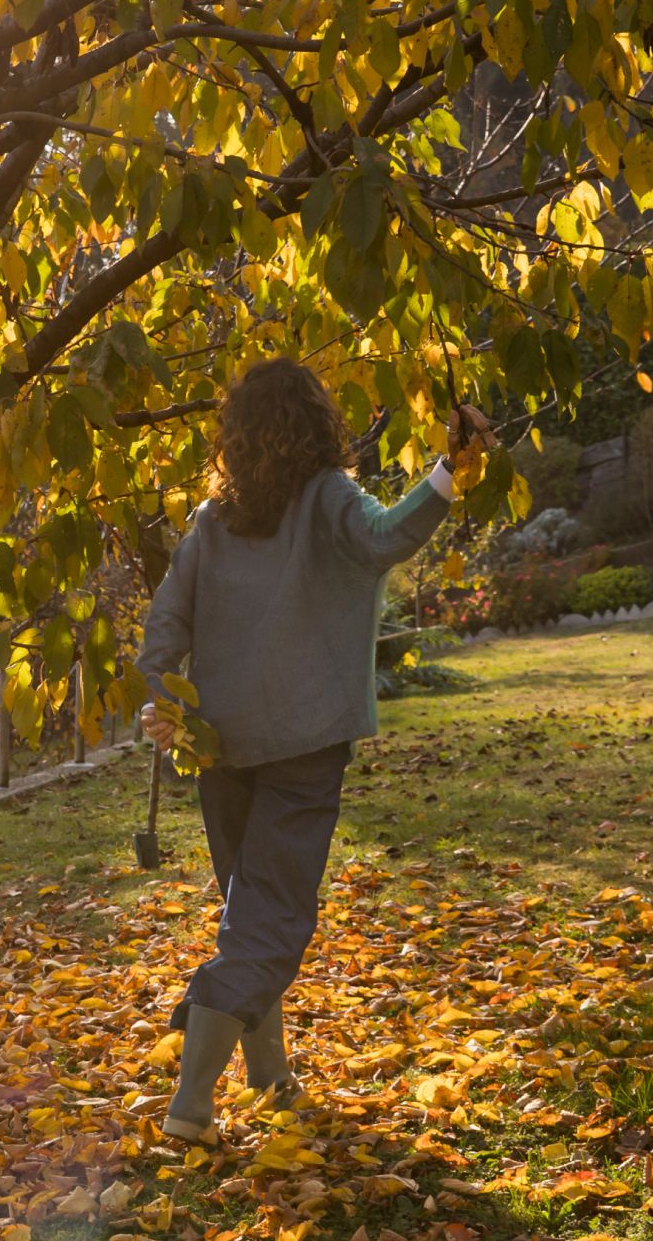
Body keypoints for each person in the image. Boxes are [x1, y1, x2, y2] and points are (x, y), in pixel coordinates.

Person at [134, 357, 491, 1145]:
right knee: (267, 921)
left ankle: (269, 1075)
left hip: (217, 745)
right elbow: (387, 537)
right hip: (299, 743)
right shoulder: (328, 495)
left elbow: (164, 629)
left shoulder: (211, 520)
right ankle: (191, 1105)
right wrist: (445, 472)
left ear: (236, 436)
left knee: (247, 912)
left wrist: (164, 704)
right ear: (316, 424)